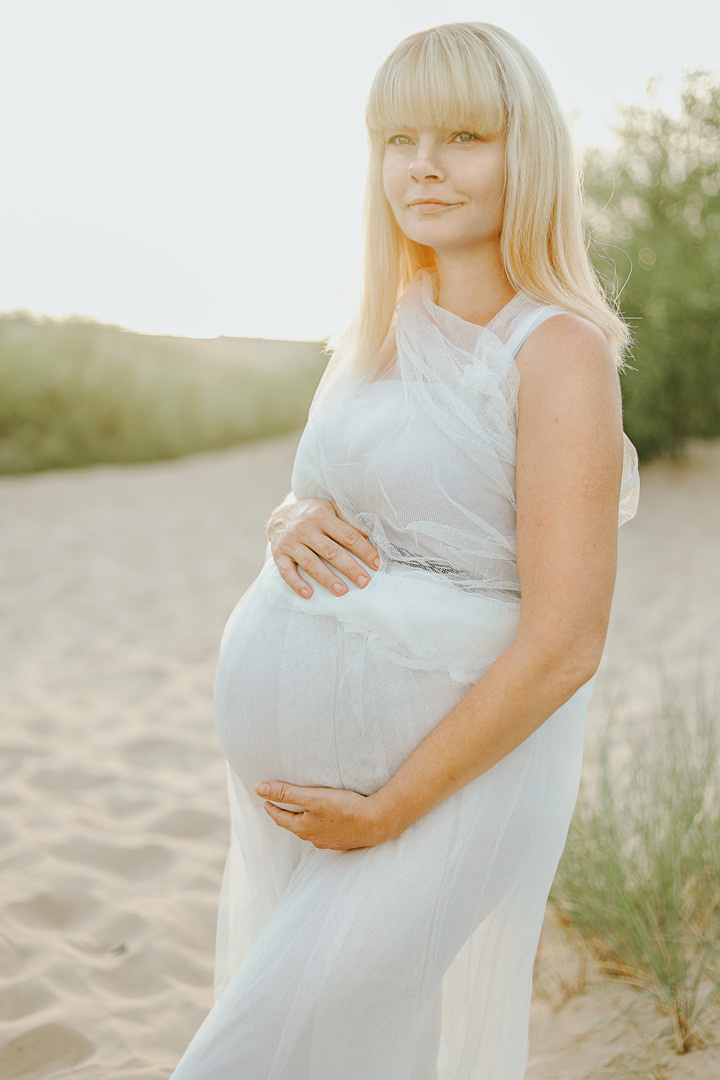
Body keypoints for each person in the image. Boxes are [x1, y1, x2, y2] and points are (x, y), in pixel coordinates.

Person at [169, 20, 640, 1080]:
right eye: (398, 137)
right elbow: (337, 491)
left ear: (529, 156)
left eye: (463, 135)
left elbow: (566, 643)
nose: (422, 165)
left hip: (442, 798)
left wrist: (387, 809)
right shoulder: (382, 324)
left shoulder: (557, 352)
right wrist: (284, 518)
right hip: (319, 804)